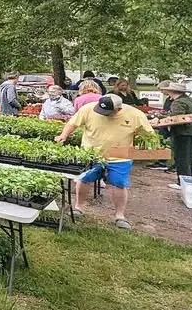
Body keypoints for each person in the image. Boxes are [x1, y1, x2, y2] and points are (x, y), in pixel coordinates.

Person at [55, 94, 154, 230]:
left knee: (119, 183)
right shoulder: (88, 109)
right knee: (83, 179)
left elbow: (148, 135)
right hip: (91, 154)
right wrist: (63, 135)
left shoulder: (135, 115)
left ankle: (119, 216)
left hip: (120, 157)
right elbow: (72, 123)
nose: (102, 114)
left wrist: (146, 146)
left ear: (118, 109)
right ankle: (79, 207)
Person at [159, 82, 192, 188]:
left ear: (172, 91)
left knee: (182, 158)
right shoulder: (188, 100)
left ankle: (183, 183)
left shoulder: (178, 102)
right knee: (189, 158)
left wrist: (161, 121)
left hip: (183, 132)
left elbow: (176, 118)